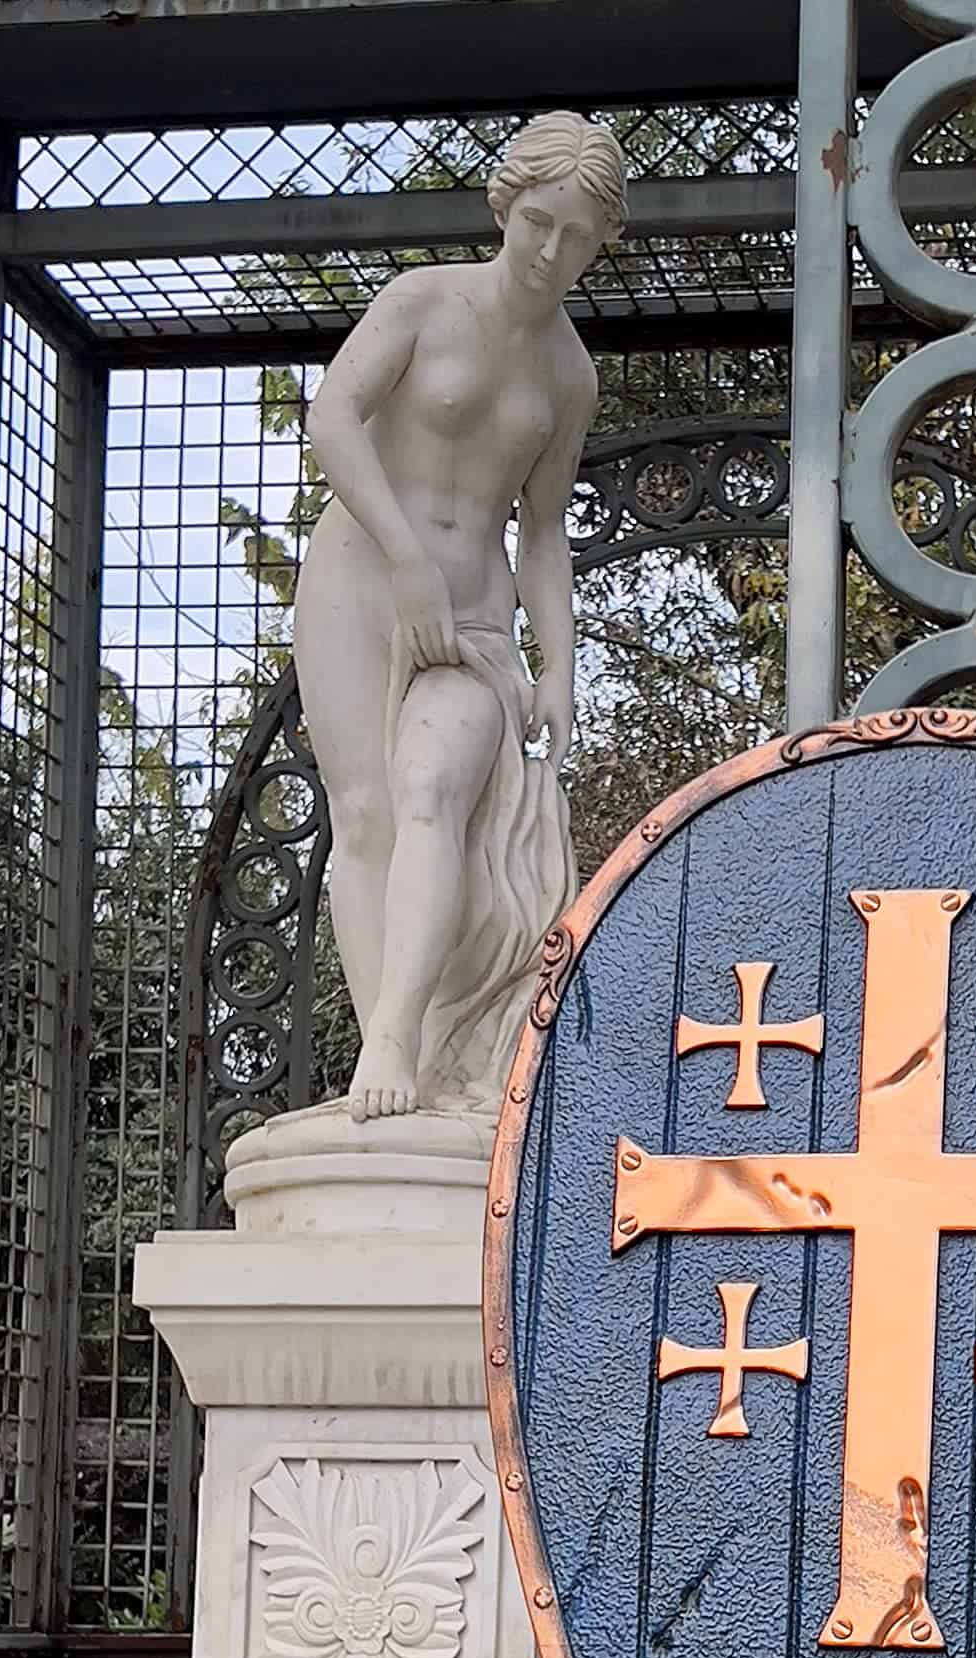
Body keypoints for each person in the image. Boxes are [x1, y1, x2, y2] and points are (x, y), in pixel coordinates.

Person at [295, 111, 625, 1122]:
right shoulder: (423, 301)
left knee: (433, 786)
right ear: (505, 206)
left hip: (474, 619)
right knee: (366, 816)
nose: (550, 252)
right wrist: (405, 561)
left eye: (576, 237)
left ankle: (402, 1035)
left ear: (600, 242)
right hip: (361, 581)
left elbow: (542, 533)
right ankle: (390, 1058)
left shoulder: (569, 373)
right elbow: (330, 419)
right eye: (537, 223)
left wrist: (559, 664)